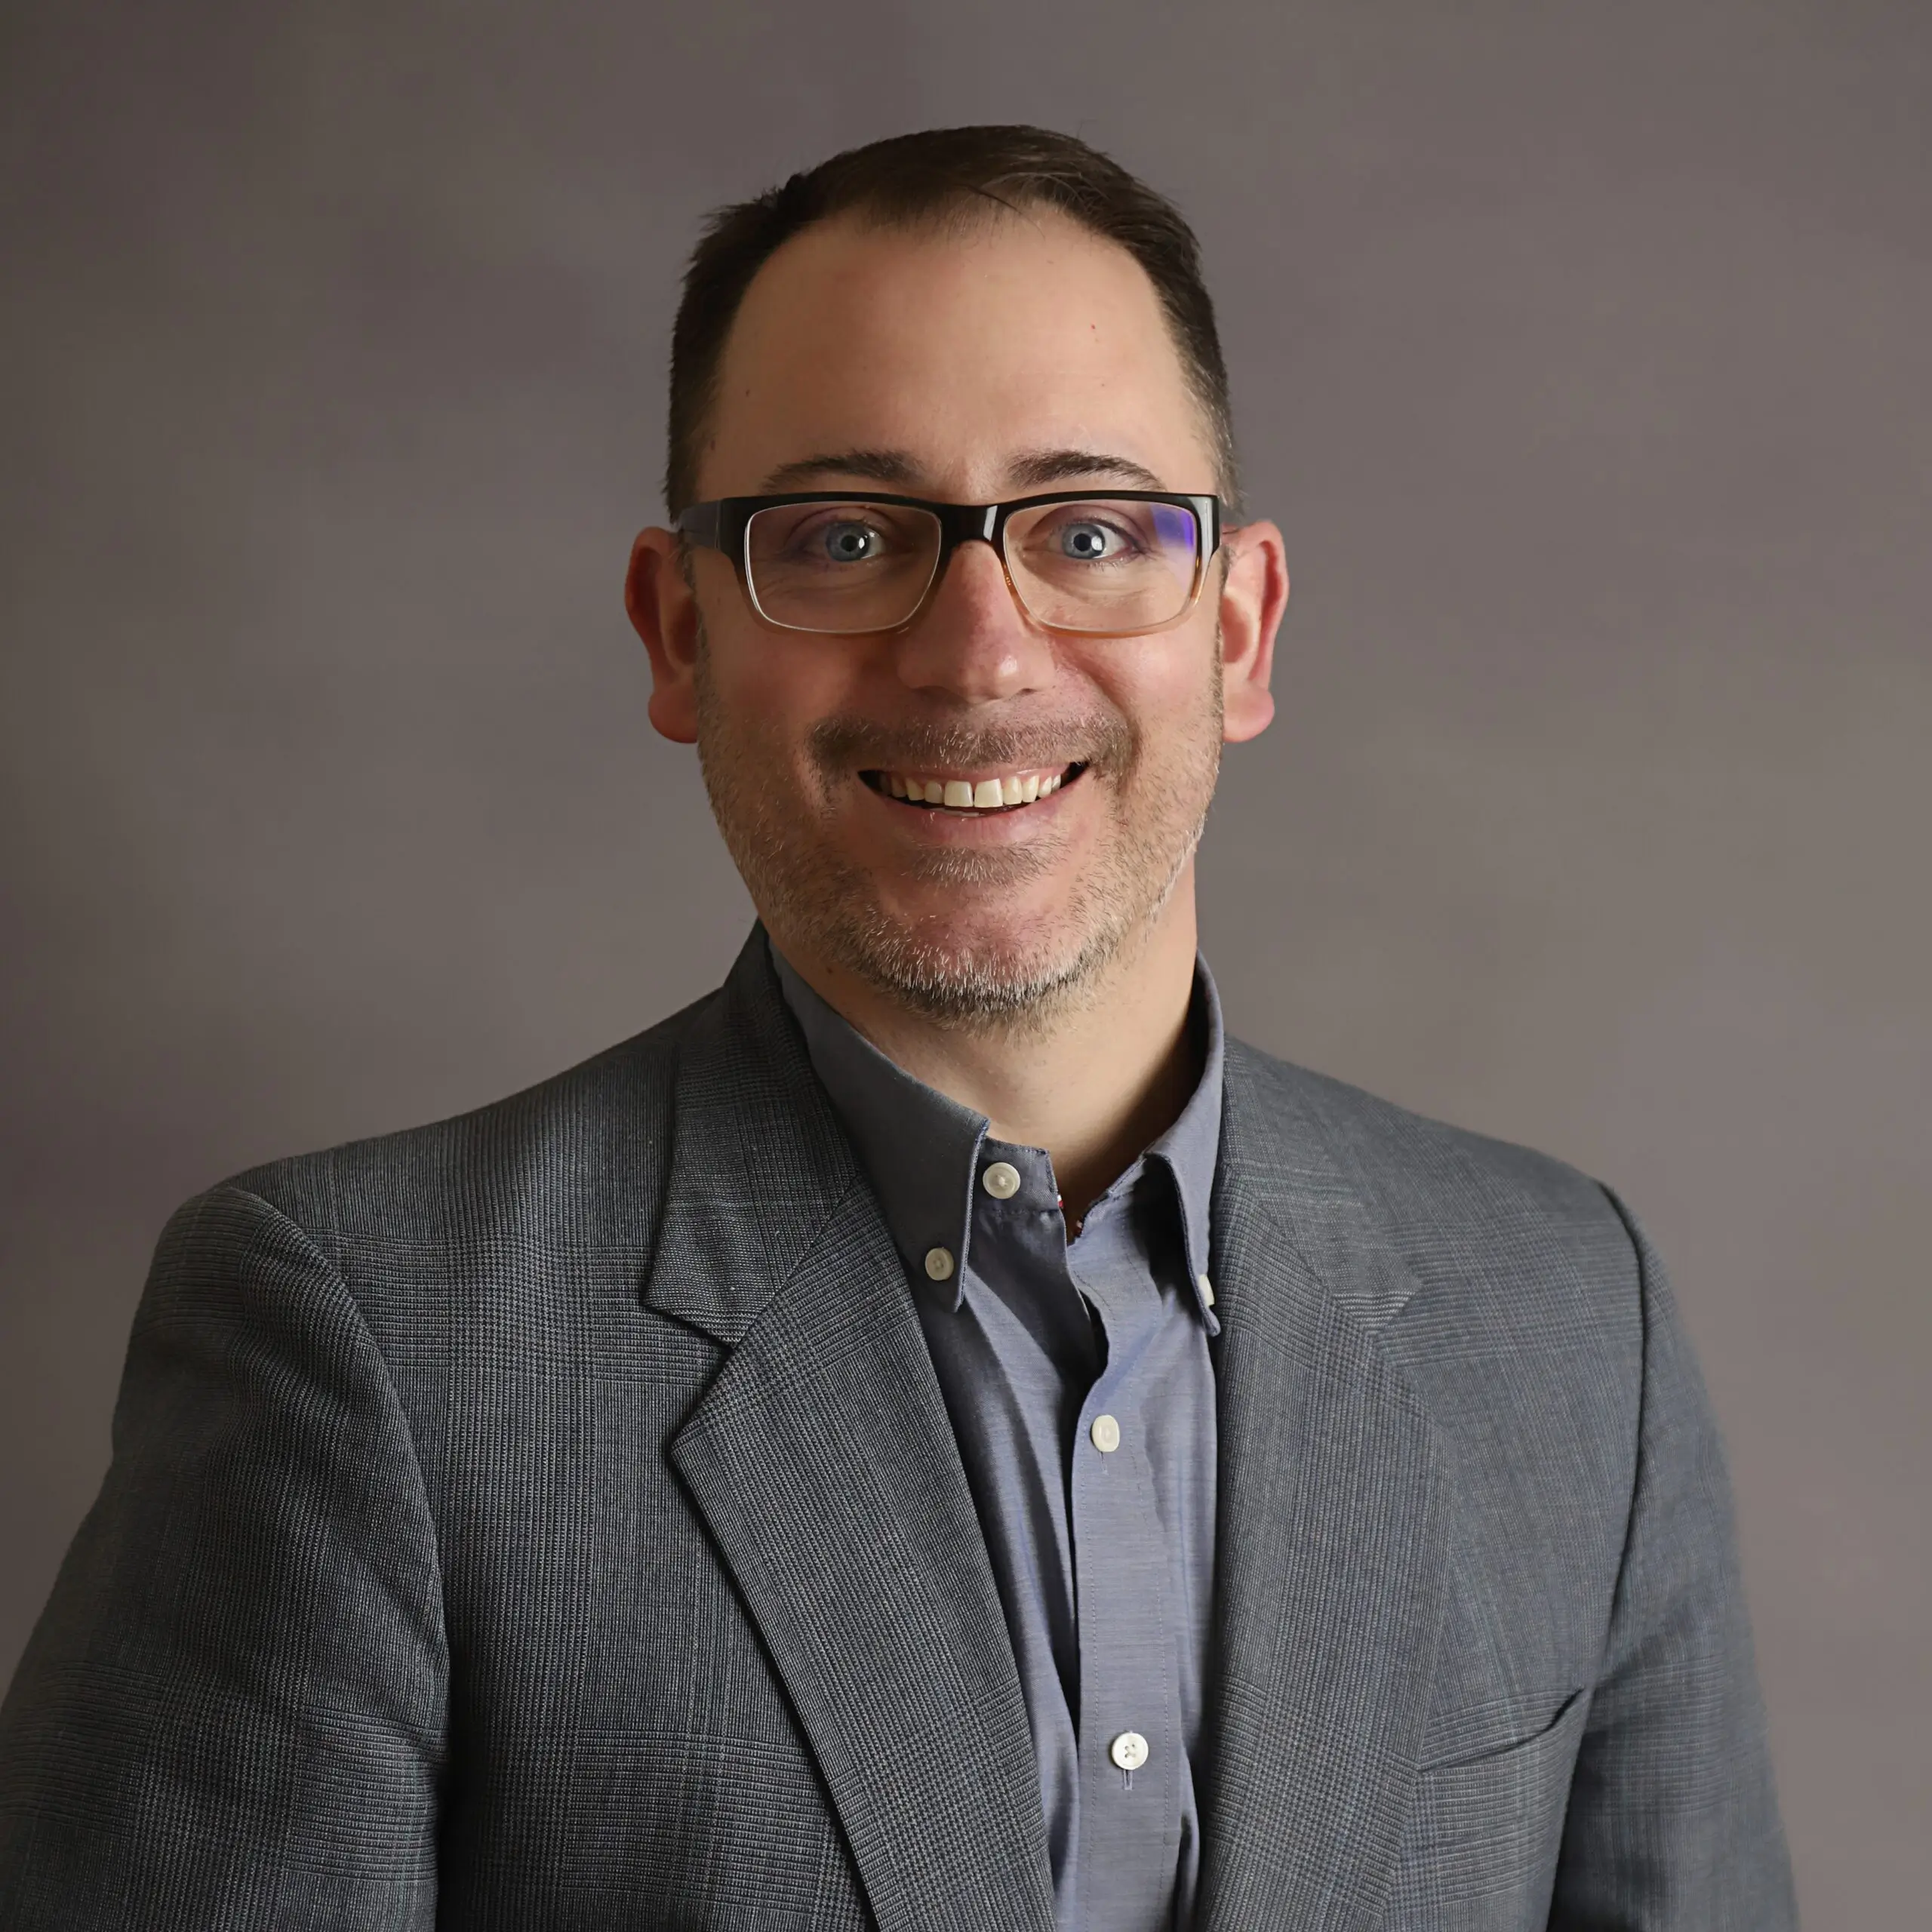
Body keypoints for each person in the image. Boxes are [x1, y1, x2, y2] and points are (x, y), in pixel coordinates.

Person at [0, 125, 1795, 1930]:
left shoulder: (1569, 1320)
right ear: (678, 631)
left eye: (1090, 530)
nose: (977, 655)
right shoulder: (368, 1347)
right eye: (844, 535)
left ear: (1235, 630)